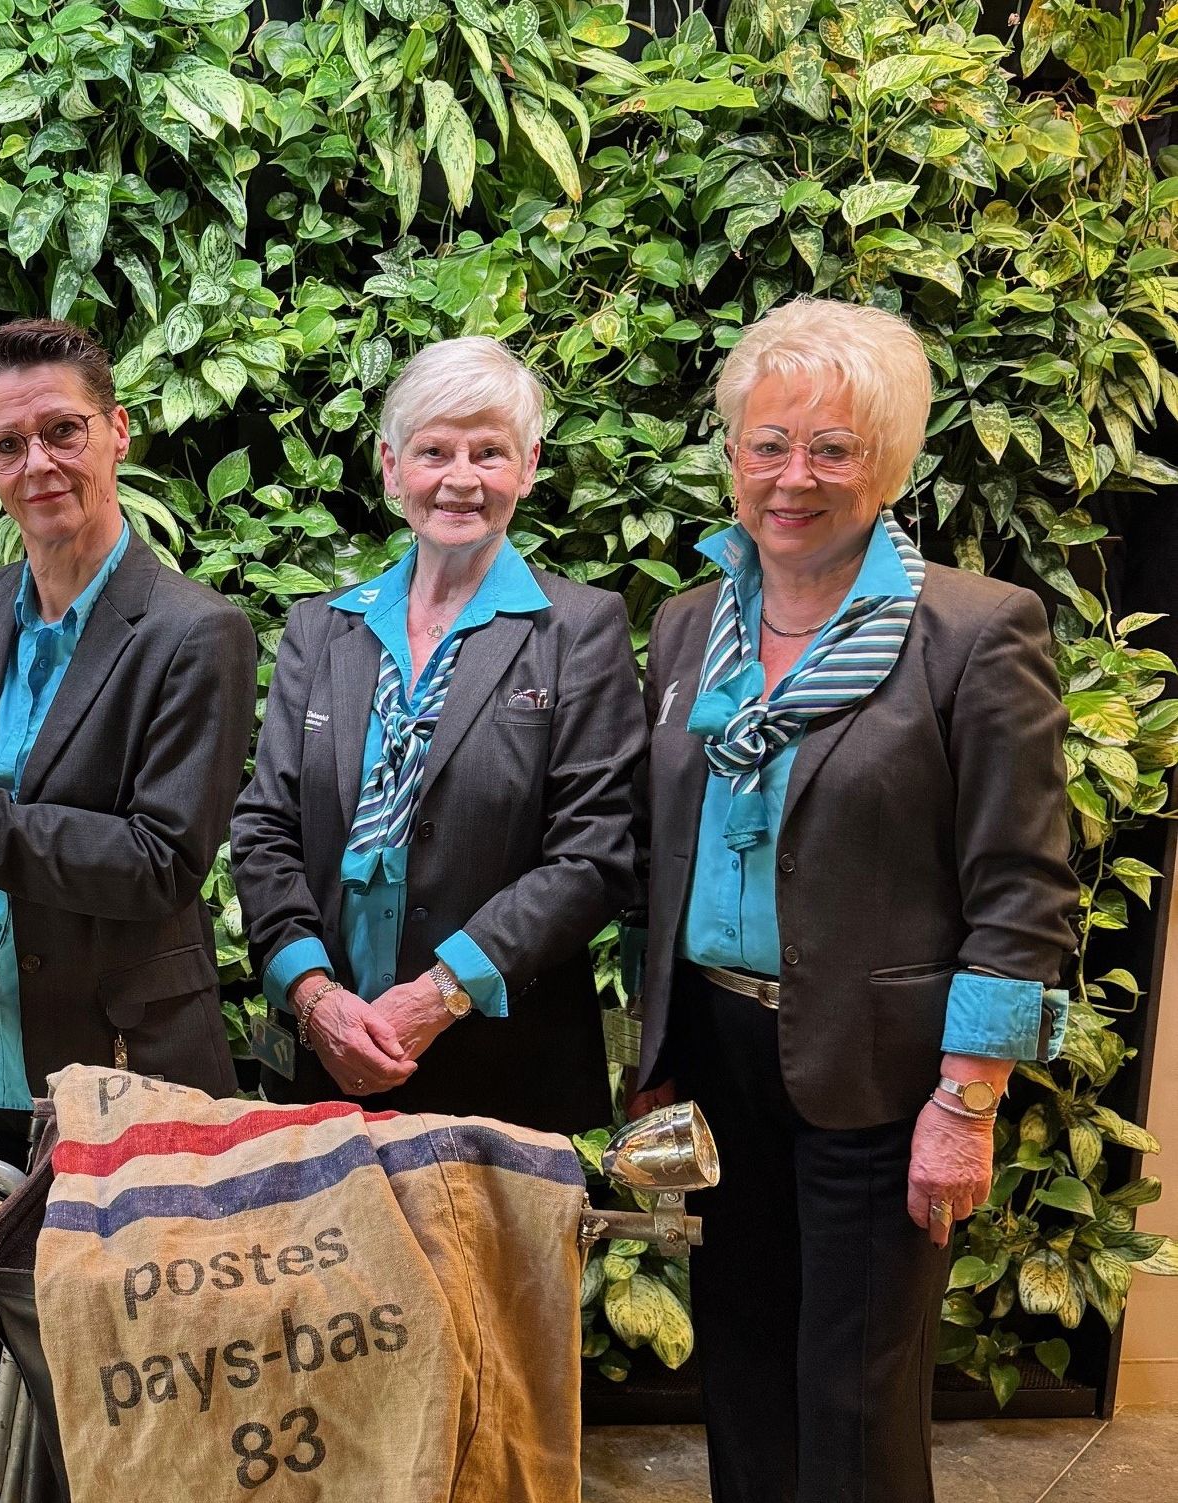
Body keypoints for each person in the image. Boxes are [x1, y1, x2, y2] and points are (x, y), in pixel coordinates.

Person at [628, 297, 1077, 1502]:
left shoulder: (973, 633)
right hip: (722, 1055)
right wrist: (657, 1041)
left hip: (882, 1074)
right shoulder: (688, 631)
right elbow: (665, 852)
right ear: (734, 456)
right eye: (769, 444)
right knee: (742, 1364)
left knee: (854, 1392)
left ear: (886, 466)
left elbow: (1025, 892)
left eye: (833, 449)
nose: (794, 478)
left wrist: (967, 1106)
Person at [0, 318, 258, 1499]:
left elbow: (157, 862)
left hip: (109, 1061)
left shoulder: (198, 633)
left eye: (62, 432)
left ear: (116, 433)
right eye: (7, 444)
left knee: (114, 1387)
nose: (38, 464)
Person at [230, 336, 646, 1132]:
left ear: (528, 467)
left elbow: (596, 852)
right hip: (323, 1061)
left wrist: (439, 993)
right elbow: (262, 826)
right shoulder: (322, 628)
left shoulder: (578, 630)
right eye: (434, 451)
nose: (461, 479)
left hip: (501, 1065)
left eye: (489, 452)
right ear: (391, 469)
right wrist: (313, 995)